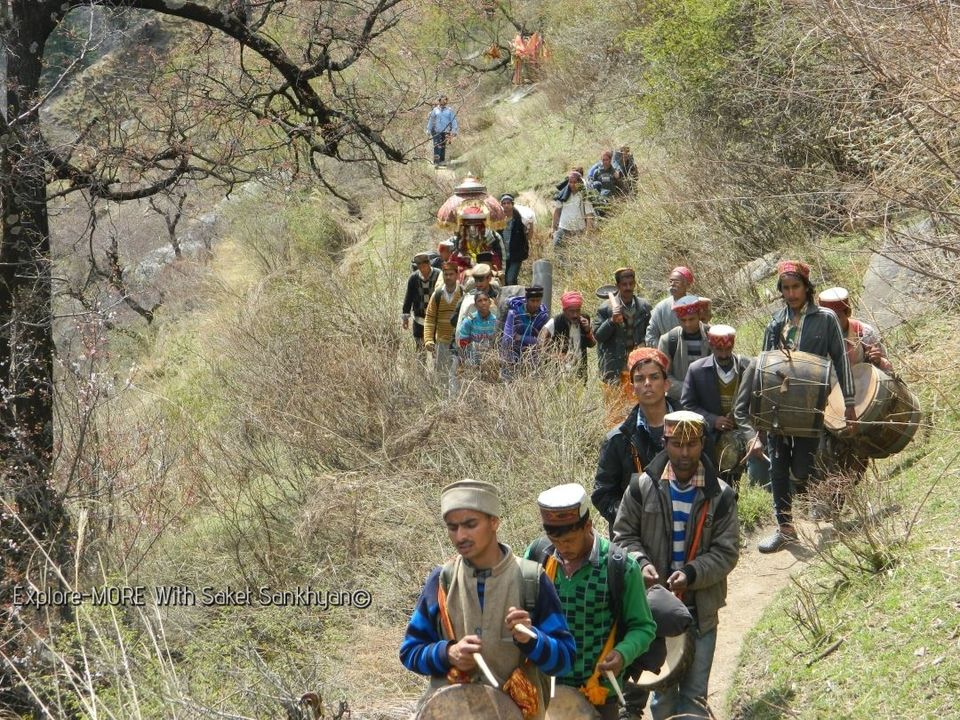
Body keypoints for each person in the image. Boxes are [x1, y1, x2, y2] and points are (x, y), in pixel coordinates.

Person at [399, 480, 575, 720]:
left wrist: (532, 639)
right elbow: (410, 652)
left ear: (494, 522)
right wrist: (448, 653)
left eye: (470, 525)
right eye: (452, 527)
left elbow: (565, 659)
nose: (460, 536)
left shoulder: (531, 580)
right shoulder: (442, 580)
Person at [612, 411, 739, 720]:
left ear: (702, 443)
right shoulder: (642, 487)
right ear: (664, 442)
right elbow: (622, 536)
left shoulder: (720, 495)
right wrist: (640, 563)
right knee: (663, 699)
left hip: (700, 610)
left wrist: (693, 573)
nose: (684, 453)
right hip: (655, 613)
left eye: (692, 444)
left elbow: (727, 552)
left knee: (694, 699)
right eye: (677, 444)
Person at [738, 260, 856, 553]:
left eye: (796, 287)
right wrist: (759, 424)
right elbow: (765, 367)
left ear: (806, 287)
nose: (791, 294)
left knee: (802, 465)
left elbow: (840, 360)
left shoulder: (826, 319)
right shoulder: (776, 321)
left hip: (810, 404)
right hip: (778, 404)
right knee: (778, 463)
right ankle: (785, 528)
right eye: (786, 288)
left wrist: (849, 403)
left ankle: (806, 491)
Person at [524, 484, 656, 720]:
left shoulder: (620, 567)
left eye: (569, 540)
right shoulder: (538, 557)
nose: (562, 548)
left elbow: (644, 627)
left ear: (588, 525)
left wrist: (623, 653)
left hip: (598, 694)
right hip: (545, 692)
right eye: (555, 540)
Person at [593, 347, 678, 529]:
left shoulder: (691, 429)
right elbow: (603, 495)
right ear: (632, 388)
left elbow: (709, 485)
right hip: (635, 541)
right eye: (640, 379)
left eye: (654, 377)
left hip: (684, 531)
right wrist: (633, 519)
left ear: (666, 384)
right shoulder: (617, 439)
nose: (647, 383)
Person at [681, 325, 763, 487]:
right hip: (712, 439)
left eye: (728, 348)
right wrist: (713, 420)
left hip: (745, 437)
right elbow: (687, 405)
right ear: (711, 346)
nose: (724, 354)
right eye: (719, 349)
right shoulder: (696, 370)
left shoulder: (748, 367)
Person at [594, 268, 653, 426]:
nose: (628, 287)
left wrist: (643, 344)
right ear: (617, 286)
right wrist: (612, 321)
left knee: (636, 409)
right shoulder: (605, 309)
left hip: (636, 367)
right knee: (614, 414)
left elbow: (651, 333)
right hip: (613, 367)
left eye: (631, 283)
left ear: (635, 284)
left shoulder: (644, 307)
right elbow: (598, 336)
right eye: (624, 284)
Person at [817, 287, 893, 372]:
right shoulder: (817, 338)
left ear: (848, 313)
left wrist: (878, 361)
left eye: (837, 317)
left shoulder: (864, 332)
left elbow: (888, 370)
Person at [658, 295, 711, 404]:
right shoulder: (668, 340)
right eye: (683, 320)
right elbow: (663, 375)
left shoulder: (713, 336)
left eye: (691, 319)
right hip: (678, 403)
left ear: (699, 315)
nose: (687, 324)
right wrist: (689, 390)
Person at [423, 262, 464, 392]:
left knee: (458, 374)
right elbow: (429, 318)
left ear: (457, 275)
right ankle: (442, 402)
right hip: (441, 342)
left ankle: (457, 403)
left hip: (459, 342)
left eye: (451, 274)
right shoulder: (437, 294)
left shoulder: (463, 293)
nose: (448, 277)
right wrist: (428, 340)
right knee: (441, 374)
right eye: (446, 274)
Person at [538, 290, 595, 382]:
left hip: (580, 372)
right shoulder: (555, 322)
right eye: (571, 311)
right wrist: (557, 356)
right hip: (559, 375)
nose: (575, 315)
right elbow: (540, 344)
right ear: (564, 310)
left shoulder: (584, 320)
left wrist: (588, 331)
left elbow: (592, 344)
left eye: (578, 311)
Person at [645, 266, 695, 349]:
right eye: (671, 281)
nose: (672, 284)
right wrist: (662, 352)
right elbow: (651, 335)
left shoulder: (695, 305)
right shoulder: (661, 307)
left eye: (676, 282)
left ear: (687, 285)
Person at [502, 285, 549, 373]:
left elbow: (541, 341)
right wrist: (507, 359)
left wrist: (521, 337)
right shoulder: (514, 313)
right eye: (532, 301)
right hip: (513, 352)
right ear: (526, 300)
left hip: (532, 356)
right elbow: (507, 337)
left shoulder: (542, 316)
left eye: (538, 301)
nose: (535, 304)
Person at [456, 291, 499, 381]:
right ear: (475, 305)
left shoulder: (496, 322)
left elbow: (498, 343)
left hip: (490, 364)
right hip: (472, 364)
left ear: (490, 303)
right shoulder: (469, 321)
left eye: (485, 300)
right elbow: (462, 343)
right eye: (479, 301)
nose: (483, 303)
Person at [402, 252, 441, 351]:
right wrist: (405, 317)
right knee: (420, 348)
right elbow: (408, 298)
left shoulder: (439, 275)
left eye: (424, 265)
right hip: (419, 319)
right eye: (420, 266)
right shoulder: (414, 278)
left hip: (436, 319)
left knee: (436, 348)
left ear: (429, 264)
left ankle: (436, 366)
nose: (423, 269)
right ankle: (420, 367)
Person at [551, 171, 594, 247]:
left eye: (574, 182)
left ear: (579, 183)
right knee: (557, 250)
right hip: (563, 228)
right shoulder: (563, 194)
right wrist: (553, 229)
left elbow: (589, 215)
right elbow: (557, 211)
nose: (572, 185)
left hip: (578, 230)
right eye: (570, 182)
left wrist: (588, 233)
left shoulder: (584, 196)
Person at [500, 194, 529, 286]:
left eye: (508, 203)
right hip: (503, 256)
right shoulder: (498, 221)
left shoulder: (519, 220)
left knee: (510, 279)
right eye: (504, 203)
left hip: (515, 255)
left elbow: (527, 236)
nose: (506, 205)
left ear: (512, 204)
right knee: (504, 281)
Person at [587, 150, 625, 215]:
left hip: (613, 200)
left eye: (606, 160)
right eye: (603, 160)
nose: (605, 162)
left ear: (610, 160)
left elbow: (620, 187)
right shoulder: (597, 172)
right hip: (601, 202)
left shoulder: (615, 172)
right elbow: (593, 187)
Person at [425, 95, 458, 166]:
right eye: (442, 100)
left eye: (445, 100)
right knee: (437, 146)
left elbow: (453, 120)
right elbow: (431, 120)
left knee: (443, 146)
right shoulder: (435, 110)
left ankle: (442, 161)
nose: (444, 102)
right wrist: (428, 129)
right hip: (436, 131)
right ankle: (436, 162)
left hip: (446, 131)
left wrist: (454, 130)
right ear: (439, 101)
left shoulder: (449, 110)